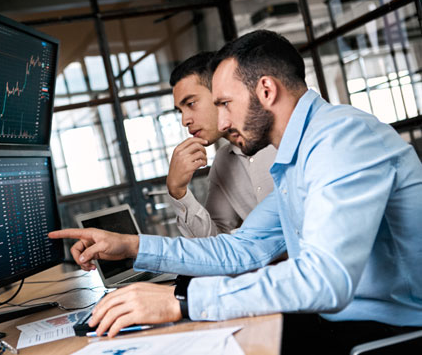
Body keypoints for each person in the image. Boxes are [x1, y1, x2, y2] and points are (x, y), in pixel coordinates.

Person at [49, 30, 422, 352]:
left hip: (394, 334)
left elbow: (325, 280)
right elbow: (244, 248)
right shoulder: (301, 155)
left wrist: (179, 300)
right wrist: (131, 246)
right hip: (342, 320)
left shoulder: (340, 140)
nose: (222, 121)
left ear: (266, 90)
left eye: (225, 104)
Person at [167, 52, 275, 237]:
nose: (185, 120)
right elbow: (212, 244)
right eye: (180, 111)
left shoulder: (279, 141)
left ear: (220, 92)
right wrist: (178, 191)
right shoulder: (223, 162)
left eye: (191, 103)